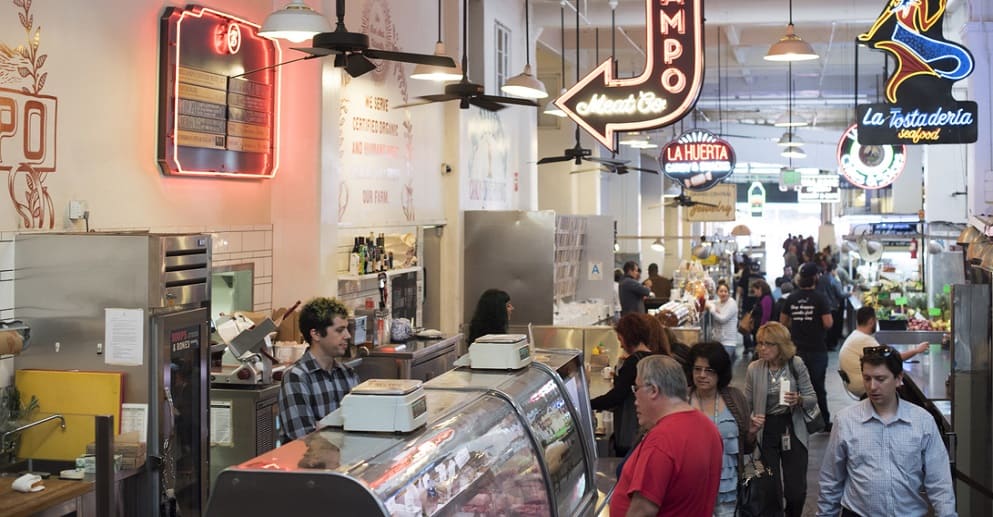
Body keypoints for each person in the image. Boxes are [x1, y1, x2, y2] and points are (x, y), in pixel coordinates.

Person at [816, 345, 956, 517]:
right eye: (867, 378)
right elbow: (831, 481)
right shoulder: (845, 421)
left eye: (880, 379)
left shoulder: (922, 422)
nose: (872, 386)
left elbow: (939, 483)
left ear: (898, 379)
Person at [610, 355, 723, 517]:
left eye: (637, 388)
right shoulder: (709, 428)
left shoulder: (661, 440)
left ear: (654, 390)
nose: (635, 400)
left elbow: (643, 510)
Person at [745, 322, 818, 517]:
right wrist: (750, 423)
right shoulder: (754, 369)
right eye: (760, 343)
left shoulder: (796, 364)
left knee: (796, 491)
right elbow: (747, 404)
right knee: (769, 489)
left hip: (791, 427)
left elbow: (812, 399)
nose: (762, 348)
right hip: (766, 429)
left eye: (769, 344)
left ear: (781, 345)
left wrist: (799, 399)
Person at [686, 342, 755, 517]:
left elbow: (746, 448)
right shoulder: (682, 400)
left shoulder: (735, 398)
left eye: (709, 370)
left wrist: (751, 433)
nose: (702, 375)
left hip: (728, 491)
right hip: (691, 491)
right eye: (697, 369)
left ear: (720, 372)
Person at [278, 297, 359, 442]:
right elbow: (303, 437)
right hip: (309, 463)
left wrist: (322, 428)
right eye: (340, 330)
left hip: (343, 461)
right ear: (315, 334)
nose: (347, 335)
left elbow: (361, 426)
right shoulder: (296, 377)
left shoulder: (348, 374)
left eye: (346, 329)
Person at [591, 314, 659, 457]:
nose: (621, 345)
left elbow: (617, 397)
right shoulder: (654, 358)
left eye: (621, 340)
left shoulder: (633, 362)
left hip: (631, 434)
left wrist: (587, 404)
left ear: (629, 337)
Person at [780, 262, 833, 431]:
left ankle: (797, 421)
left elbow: (783, 322)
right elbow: (828, 323)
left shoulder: (792, 297)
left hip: (797, 350)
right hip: (817, 348)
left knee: (796, 386)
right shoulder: (820, 298)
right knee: (817, 387)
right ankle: (822, 422)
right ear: (815, 277)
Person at [839, 306, 928, 398]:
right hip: (863, 387)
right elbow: (894, 358)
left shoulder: (855, 335)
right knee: (910, 390)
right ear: (871, 321)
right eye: (876, 320)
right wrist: (917, 350)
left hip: (853, 384)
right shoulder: (864, 339)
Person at [706, 281, 738, 361]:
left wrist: (712, 310)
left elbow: (722, 319)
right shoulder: (718, 302)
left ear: (728, 293)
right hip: (718, 341)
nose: (723, 293)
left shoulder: (732, 303)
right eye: (721, 291)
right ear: (717, 293)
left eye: (725, 291)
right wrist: (712, 306)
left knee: (723, 365)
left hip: (728, 343)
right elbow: (706, 302)